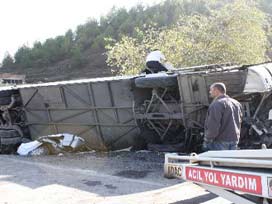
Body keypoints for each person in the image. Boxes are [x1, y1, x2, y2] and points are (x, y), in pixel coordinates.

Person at [203, 82, 243, 151]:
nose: (210, 92)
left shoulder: (216, 105)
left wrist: (207, 139)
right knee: (230, 161)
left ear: (216, 90)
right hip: (234, 140)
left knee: (217, 161)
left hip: (220, 141)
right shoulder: (237, 103)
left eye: (211, 90)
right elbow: (239, 122)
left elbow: (213, 125)